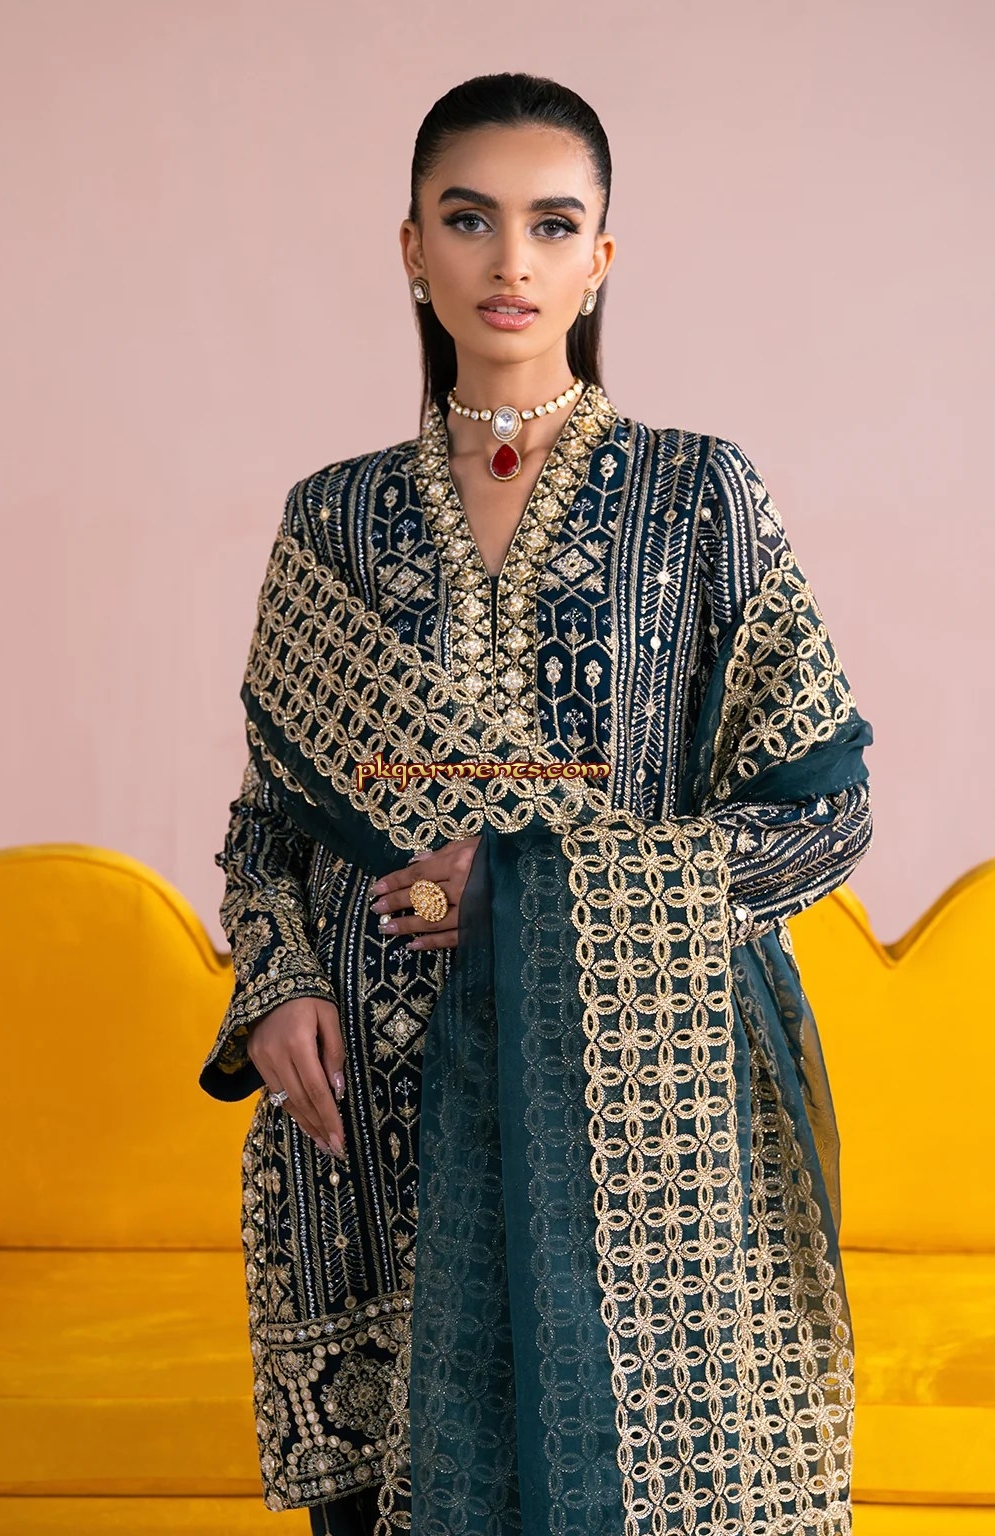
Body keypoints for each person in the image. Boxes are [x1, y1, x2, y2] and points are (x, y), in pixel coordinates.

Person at [199, 72, 874, 1536]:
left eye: (553, 224)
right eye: (469, 219)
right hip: (372, 1105)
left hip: (634, 1095)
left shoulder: (698, 498)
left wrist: (527, 891)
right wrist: (279, 984)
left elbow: (823, 816)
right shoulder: (335, 518)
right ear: (411, 249)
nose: (511, 261)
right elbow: (266, 831)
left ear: (600, 257)